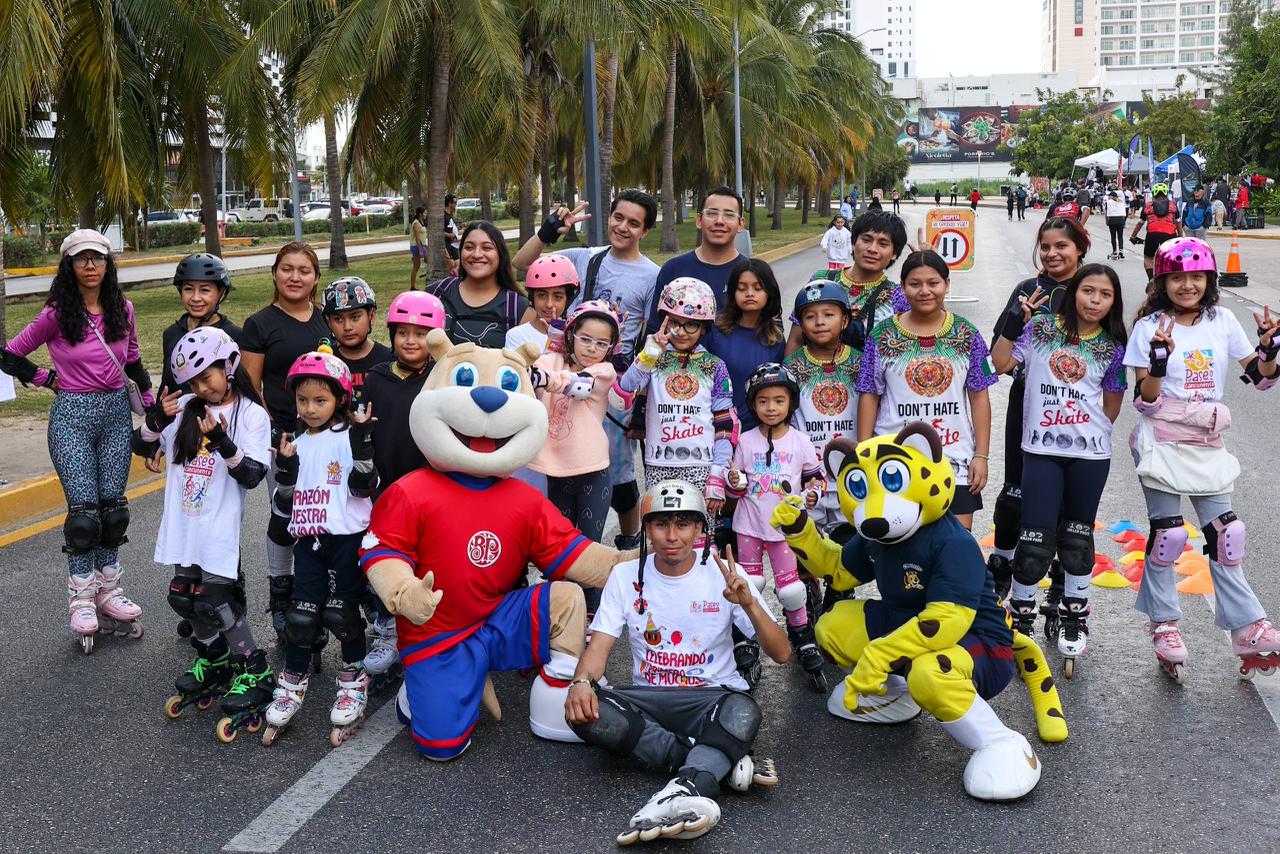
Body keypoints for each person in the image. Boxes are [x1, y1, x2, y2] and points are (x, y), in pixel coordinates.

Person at [772, 421, 1066, 802]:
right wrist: (800, 531)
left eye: (891, 481)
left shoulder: (952, 542)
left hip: (978, 645)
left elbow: (945, 622)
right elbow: (840, 570)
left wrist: (879, 656)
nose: (873, 511)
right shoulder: (876, 535)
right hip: (910, 627)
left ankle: (1001, 742)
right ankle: (897, 696)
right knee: (833, 627)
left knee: (930, 672)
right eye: (860, 490)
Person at [566, 480, 789, 844]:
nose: (672, 536)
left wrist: (748, 603)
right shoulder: (625, 577)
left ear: (700, 528)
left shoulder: (725, 576)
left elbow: (781, 654)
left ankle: (682, 788)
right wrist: (579, 684)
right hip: (649, 699)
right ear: (646, 528)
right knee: (586, 711)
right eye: (660, 524)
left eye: (683, 524)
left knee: (744, 711)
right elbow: (598, 650)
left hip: (712, 699)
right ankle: (713, 761)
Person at [1124, 237, 1280, 684]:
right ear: (1162, 281)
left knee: (1227, 535)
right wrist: (1157, 363)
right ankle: (1165, 624)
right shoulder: (1149, 327)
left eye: (1196, 277)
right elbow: (1145, 399)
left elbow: (1260, 378)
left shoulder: (1222, 319)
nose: (1187, 285)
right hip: (1162, 439)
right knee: (1168, 536)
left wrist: (1269, 350)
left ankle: (1248, 627)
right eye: (1177, 277)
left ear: (1209, 280)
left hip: (1207, 438)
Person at [1, 229, 153, 653]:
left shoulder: (123, 309)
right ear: (69, 266)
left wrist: (150, 407)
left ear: (108, 264)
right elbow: (10, 354)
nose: (91, 265)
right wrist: (46, 378)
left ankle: (109, 590)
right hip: (72, 417)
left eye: (98, 258)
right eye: (82, 258)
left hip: (114, 416)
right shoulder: (56, 314)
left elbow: (136, 362)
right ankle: (81, 597)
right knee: (84, 514)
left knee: (113, 509)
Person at [136, 328, 275, 739]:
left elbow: (252, 475)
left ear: (229, 365)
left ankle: (255, 668)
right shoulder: (185, 411)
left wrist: (221, 441)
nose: (202, 387)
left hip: (217, 529)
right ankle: (214, 657)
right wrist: (158, 419)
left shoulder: (251, 414)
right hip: (183, 526)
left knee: (216, 600)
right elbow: (143, 446)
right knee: (184, 597)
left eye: (207, 376)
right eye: (194, 382)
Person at [988, 265, 1127, 678]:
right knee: (1033, 544)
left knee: (1076, 540)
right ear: (1073, 293)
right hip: (1040, 451)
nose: (1095, 300)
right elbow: (998, 363)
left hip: (1089, 455)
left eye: (1105, 294)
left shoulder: (1113, 346)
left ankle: (1075, 618)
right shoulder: (1042, 329)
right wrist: (1015, 323)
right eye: (1088, 291)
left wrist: (1082, 427)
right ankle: (1022, 620)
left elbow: (1113, 405)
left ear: (1113, 302)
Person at [513, 189, 660, 551]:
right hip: (564, 372)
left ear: (646, 231)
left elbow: (648, 334)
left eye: (634, 223)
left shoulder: (652, 276)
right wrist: (549, 231)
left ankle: (628, 545)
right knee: (564, 459)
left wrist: (635, 397)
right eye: (618, 217)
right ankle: (568, 552)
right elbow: (521, 264)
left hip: (607, 388)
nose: (622, 227)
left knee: (619, 475)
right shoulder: (585, 258)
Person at [263, 346, 379, 747]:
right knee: (302, 615)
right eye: (302, 400)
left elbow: (365, 486)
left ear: (341, 400)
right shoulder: (295, 443)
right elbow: (285, 500)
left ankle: (352, 679)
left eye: (320, 400)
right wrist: (286, 468)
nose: (310, 408)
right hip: (308, 541)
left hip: (344, 539)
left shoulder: (349, 434)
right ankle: (293, 681)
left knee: (342, 613)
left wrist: (363, 441)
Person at [985, 217, 1090, 595]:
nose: (1052, 253)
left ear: (1080, 248)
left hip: (1078, 412)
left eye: (1061, 245)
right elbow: (994, 360)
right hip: (1028, 404)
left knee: (1067, 503)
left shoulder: (1093, 289)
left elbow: (1113, 352)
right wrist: (1017, 321)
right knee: (1015, 494)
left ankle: (1063, 577)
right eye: (1045, 247)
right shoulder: (1027, 289)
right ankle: (1001, 566)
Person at [856, 250, 996, 531]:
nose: (924, 291)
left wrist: (981, 455)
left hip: (954, 461)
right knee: (901, 552)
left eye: (933, 283)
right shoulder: (881, 336)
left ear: (947, 284)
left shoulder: (967, 334)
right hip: (894, 463)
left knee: (955, 550)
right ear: (903, 287)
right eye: (915, 284)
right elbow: (869, 394)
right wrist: (863, 454)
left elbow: (979, 397)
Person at [239, 242, 330, 643]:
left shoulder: (326, 321)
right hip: (285, 441)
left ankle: (316, 595)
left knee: (323, 518)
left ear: (315, 278)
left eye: (304, 270)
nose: (295, 277)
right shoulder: (259, 324)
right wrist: (270, 435)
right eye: (287, 269)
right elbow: (249, 385)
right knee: (286, 517)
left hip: (327, 438)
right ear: (274, 274)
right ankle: (280, 595)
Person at [358, 290, 446, 683]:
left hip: (433, 490)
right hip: (387, 490)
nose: (411, 341)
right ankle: (387, 630)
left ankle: (429, 632)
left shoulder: (443, 377)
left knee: (431, 562)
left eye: (422, 333)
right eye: (402, 332)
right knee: (388, 561)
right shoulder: (376, 378)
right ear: (391, 334)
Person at [726, 364, 827, 691]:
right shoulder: (745, 441)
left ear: (790, 403)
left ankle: (801, 634)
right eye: (764, 401)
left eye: (779, 401)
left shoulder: (799, 441)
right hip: (749, 525)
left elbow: (815, 476)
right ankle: (745, 635)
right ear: (753, 404)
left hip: (784, 528)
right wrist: (735, 481)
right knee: (750, 582)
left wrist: (813, 493)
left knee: (790, 587)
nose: (771, 408)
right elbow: (736, 484)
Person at [528, 300, 623, 614]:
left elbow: (578, 386)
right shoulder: (551, 359)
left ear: (610, 348)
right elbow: (534, 370)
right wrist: (531, 374)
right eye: (585, 339)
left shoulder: (604, 371)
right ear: (570, 336)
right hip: (556, 472)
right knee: (559, 548)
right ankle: (562, 610)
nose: (592, 348)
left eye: (601, 343)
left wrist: (544, 380)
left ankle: (594, 612)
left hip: (592, 473)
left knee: (588, 546)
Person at [621, 278, 733, 508]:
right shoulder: (653, 359)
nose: (680, 332)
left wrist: (718, 473)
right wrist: (649, 353)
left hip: (702, 465)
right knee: (661, 534)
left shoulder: (715, 366)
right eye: (674, 323)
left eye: (690, 324)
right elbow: (625, 390)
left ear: (703, 327)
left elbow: (724, 423)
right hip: (658, 463)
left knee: (701, 537)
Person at [785, 282, 858, 540]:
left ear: (845, 320)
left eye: (829, 314)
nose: (819, 322)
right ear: (800, 324)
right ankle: (808, 582)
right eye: (810, 316)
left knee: (847, 543)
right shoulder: (790, 368)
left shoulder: (860, 363)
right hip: (809, 474)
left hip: (849, 470)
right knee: (806, 543)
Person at [785, 210, 909, 356]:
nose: (872, 249)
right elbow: (796, 340)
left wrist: (930, 266)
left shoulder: (897, 295)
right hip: (814, 377)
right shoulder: (821, 281)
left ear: (894, 253)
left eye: (883, 243)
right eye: (866, 239)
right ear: (853, 242)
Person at [646, 187, 747, 334]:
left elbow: (770, 334)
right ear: (699, 220)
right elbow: (655, 329)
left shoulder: (751, 274)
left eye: (729, 215)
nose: (719, 221)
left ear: (740, 224)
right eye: (712, 213)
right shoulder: (674, 269)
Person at [705, 259, 786, 432]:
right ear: (733, 292)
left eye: (757, 288)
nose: (750, 293)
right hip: (715, 428)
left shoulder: (775, 337)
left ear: (769, 292)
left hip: (760, 432)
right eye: (742, 288)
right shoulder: (714, 330)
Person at [428, 221, 534, 348]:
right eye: (469, 247)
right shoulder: (436, 294)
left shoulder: (519, 309)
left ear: (501, 255)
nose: (477, 254)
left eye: (487, 248)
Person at [161, 253, 241, 394]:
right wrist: (161, 410)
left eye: (205, 290)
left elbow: (242, 389)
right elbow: (167, 385)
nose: (195, 298)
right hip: (182, 415)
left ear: (221, 293)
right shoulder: (171, 334)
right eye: (188, 289)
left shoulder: (234, 335)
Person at [323, 276, 393, 410]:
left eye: (355, 317)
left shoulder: (389, 360)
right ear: (328, 322)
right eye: (338, 319)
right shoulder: (325, 362)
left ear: (371, 316)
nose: (347, 327)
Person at [506, 253, 577, 353]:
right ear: (532, 297)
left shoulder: (576, 337)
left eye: (557, 297)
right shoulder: (517, 336)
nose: (549, 304)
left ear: (568, 300)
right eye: (542, 296)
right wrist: (553, 343)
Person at [1129, 182, 1181, 280]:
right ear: (1166, 194)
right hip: (1170, 234)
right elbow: (1178, 222)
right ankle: (1170, 277)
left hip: (1152, 234)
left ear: (1153, 194)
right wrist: (1180, 238)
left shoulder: (1148, 206)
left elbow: (1140, 223)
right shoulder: (1173, 205)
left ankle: (1151, 279)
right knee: (1171, 257)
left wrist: (1133, 236)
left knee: (1148, 257)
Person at [1104, 189, 1128, 260]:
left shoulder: (1108, 202)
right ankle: (1121, 252)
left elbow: (1106, 212)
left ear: (1111, 196)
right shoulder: (1121, 202)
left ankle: (1114, 251)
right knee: (1120, 236)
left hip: (1112, 219)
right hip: (1121, 219)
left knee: (1113, 236)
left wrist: (1106, 221)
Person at [409, 207, 429, 288]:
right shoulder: (416, 223)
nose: (426, 215)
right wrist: (420, 251)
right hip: (417, 246)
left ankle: (428, 274)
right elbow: (417, 238)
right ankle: (412, 286)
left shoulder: (422, 222)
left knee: (429, 262)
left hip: (423, 246)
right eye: (424, 213)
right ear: (420, 214)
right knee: (416, 267)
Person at [442, 194, 462, 270]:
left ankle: (453, 279)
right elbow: (438, 231)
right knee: (451, 264)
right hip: (445, 243)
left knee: (458, 263)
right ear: (450, 204)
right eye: (455, 202)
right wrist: (449, 235)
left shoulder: (450, 214)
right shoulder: (443, 215)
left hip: (452, 243)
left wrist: (460, 228)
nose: (456, 204)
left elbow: (450, 227)